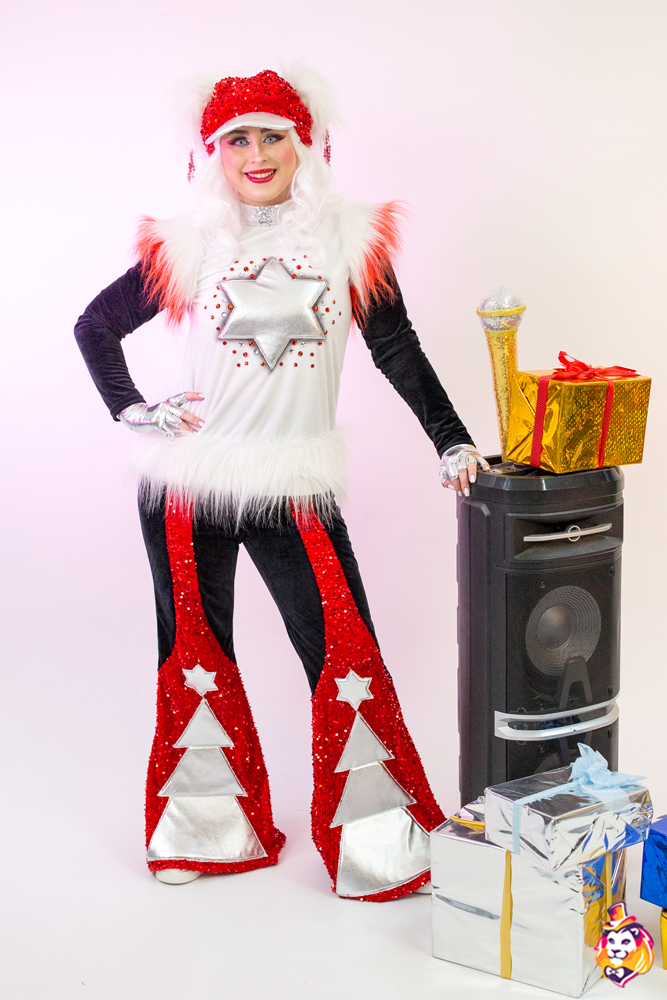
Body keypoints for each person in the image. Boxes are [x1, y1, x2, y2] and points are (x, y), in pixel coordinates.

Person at [74, 66, 488, 900]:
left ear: (305, 144)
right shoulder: (189, 245)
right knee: (193, 656)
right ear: (213, 151)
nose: (255, 154)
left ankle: (380, 848)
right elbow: (96, 326)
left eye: (272, 136)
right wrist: (135, 410)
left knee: (344, 654)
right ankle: (206, 835)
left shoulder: (349, 242)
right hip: (187, 488)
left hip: (293, 485)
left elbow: (395, 348)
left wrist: (450, 438)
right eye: (237, 139)